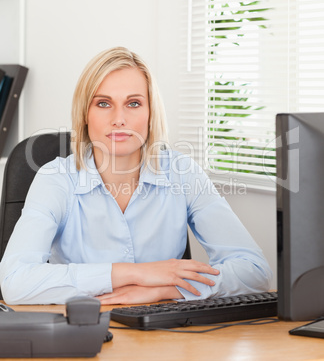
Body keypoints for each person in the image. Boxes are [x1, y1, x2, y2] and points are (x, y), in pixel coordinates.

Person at [0, 47, 272, 305]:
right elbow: (15, 281)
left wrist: (167, 289)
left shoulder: (183, 173)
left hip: (163, 334)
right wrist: (135, 274)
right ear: (84, 114)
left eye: (133, 103)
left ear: (150, 113)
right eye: (104, 103)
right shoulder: (56, 179)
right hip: (81, 328)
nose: (119, 119)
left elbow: (255, 271)